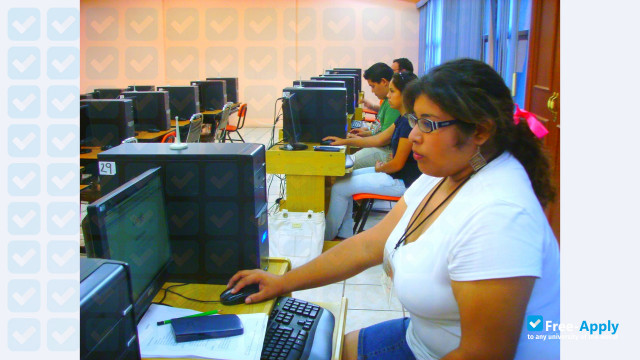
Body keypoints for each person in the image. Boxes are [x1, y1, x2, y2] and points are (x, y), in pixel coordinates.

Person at [226, 59, 560, 360]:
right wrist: (283, 283)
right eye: (414, 120)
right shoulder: (448, 172)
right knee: (327, 348)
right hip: (421, 340)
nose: (413, 135)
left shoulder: (499, 216)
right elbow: (368, 245)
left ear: (481, 131)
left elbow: (481, 354)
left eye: (428, 124)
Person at [322, 71, 421, 240]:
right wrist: (344, 141)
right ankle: (343, 234)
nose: (388, 96)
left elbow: (397, 165)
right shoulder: (403, 119)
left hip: (402, 182)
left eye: (392, 91)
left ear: (405, 94)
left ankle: (326, 238)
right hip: (394, 175)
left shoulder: (408, 124)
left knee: (339, 188)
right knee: (343, 177)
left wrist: (380, 168)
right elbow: (378, 139)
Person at [351, 62, 401, 169]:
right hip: (380, 147)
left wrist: (355, 140)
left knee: (348, 162)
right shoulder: (386, 101)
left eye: (373, 86)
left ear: (383, 82)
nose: (372, 91)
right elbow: (380, 130)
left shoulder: (392, 104)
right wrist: (366, 133)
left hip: (385, 151)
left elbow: (384, 139)